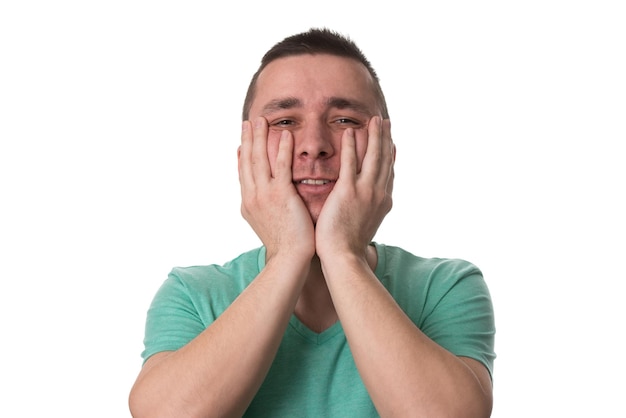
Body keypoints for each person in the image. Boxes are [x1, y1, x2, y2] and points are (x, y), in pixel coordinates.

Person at [129, 28, 496, 418]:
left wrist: (343, 254)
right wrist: (289, 254)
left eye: (343, 119)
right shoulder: (193, 293)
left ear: (386, 155)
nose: (313, 144)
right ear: (245, 158)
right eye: (285, 122)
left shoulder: (443, 287)